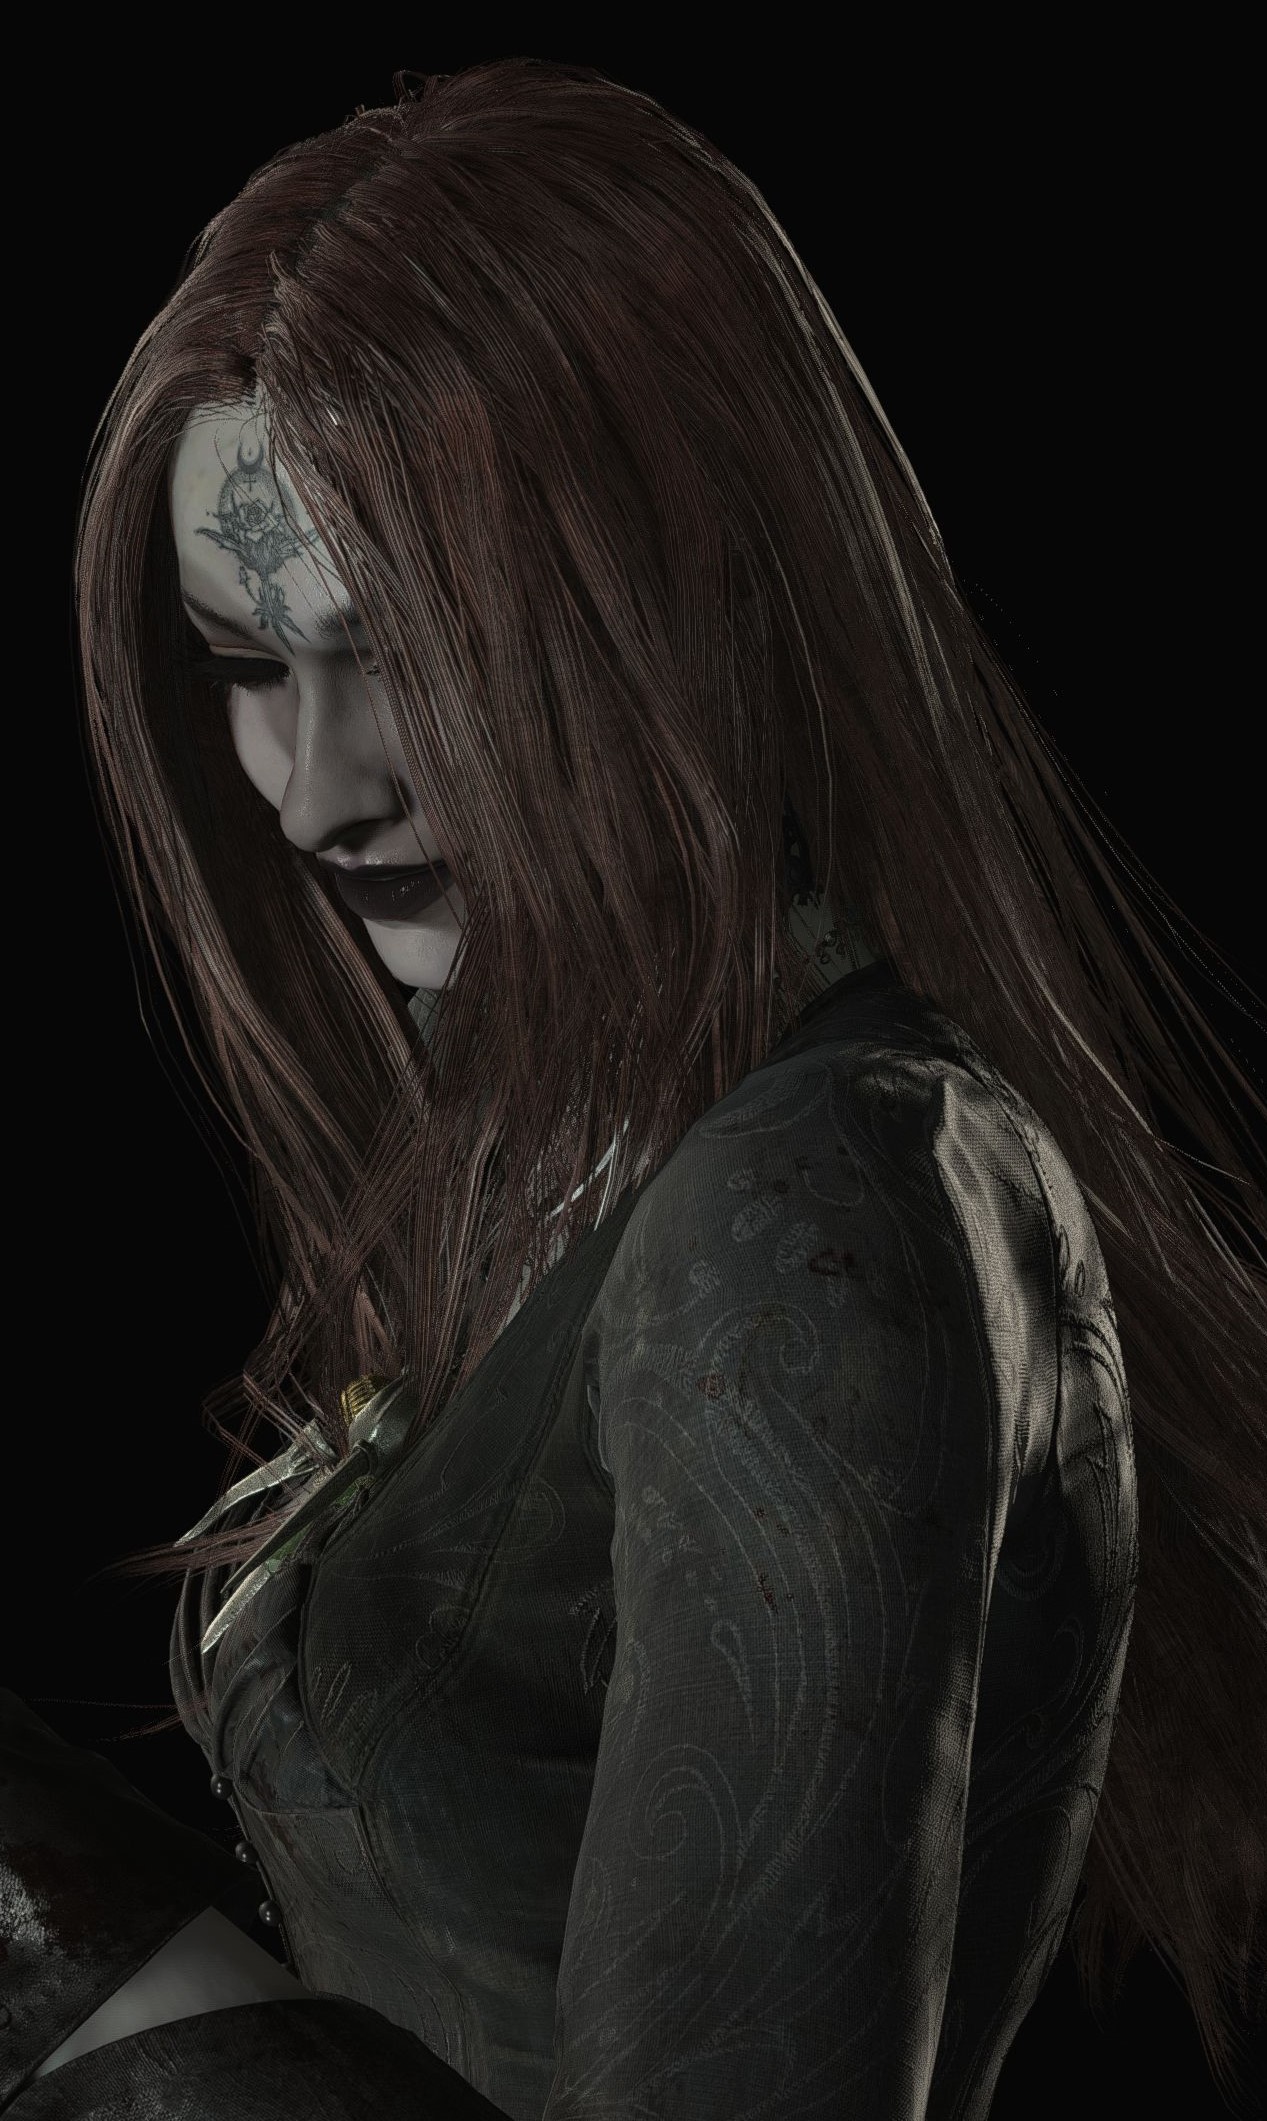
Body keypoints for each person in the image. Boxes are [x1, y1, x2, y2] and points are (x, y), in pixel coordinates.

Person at [4, 55, 1263, 2121]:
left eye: (411, 651)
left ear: (682, 592)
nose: (316, 790)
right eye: (246, 667)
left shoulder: (818, 1207)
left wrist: (42, 1917)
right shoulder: (552, 1154)